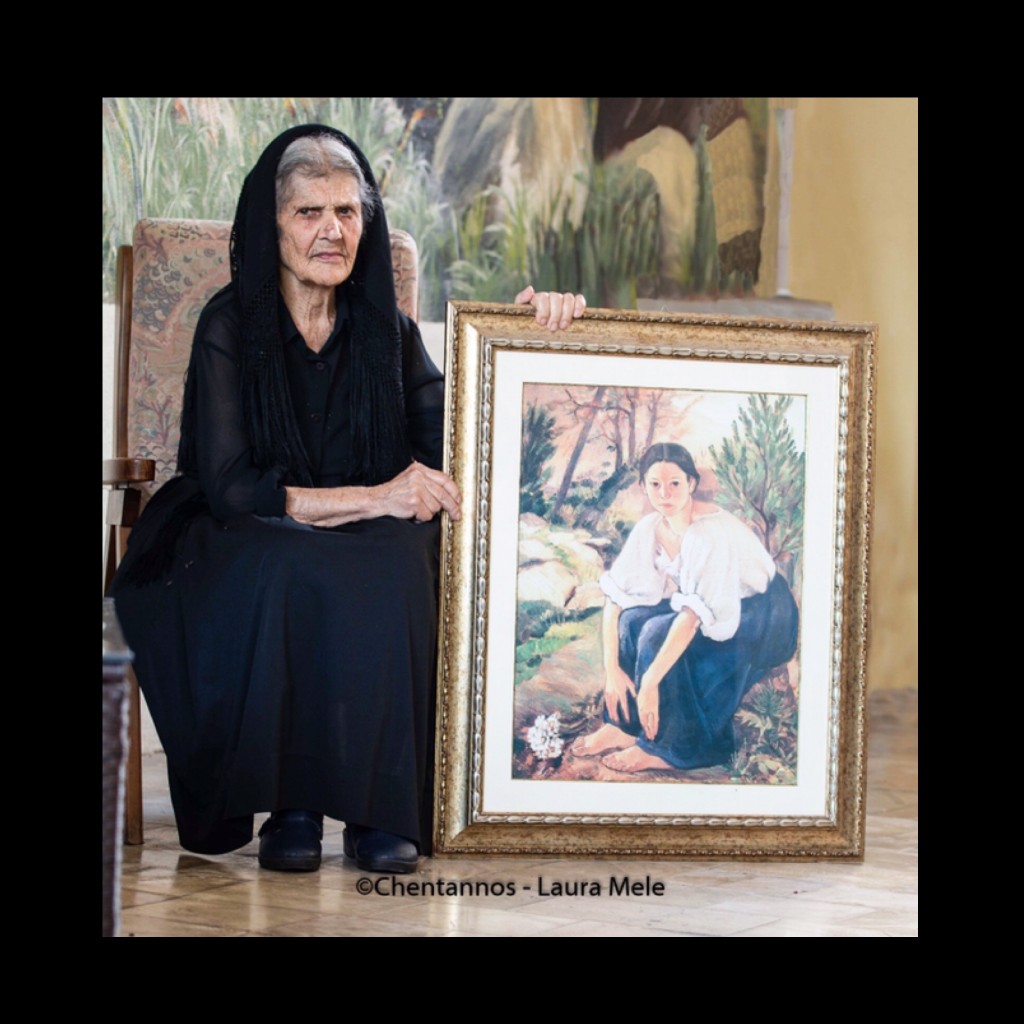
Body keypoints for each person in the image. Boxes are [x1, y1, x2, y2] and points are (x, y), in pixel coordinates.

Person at [109, 124, 585, 874]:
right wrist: (377, 496)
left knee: (402, 558)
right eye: (308, 212)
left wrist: (528, 341)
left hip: (361, 531)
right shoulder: (228, 324)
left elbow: (460, 436)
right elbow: (233, 488)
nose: (331, 230)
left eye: (347, 212)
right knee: (285, 557)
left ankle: (377, 808)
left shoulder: (387, 332)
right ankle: (291, 803)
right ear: (271, 226)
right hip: (241, 526)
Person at [570, 442, 799, 773]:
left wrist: (649, 684)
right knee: (631, 621)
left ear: (691, 483)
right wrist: (612, 671)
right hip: (714, 604)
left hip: (762, 615)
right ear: (643, 486)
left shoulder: (708, 533)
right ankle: (622, 724)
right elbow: (615, 599)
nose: (664, 493)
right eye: (655, 484)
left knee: (654, 634)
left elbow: (692, 618)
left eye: (674, 483)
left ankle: (669, 747)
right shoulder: (651, 527)